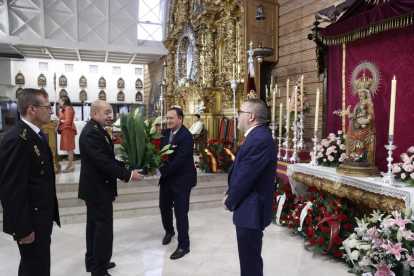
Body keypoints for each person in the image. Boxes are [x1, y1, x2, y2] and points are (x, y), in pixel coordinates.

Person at [78, 100, 145, 276]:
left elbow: (108, 158)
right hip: (97, 189)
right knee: (103, 230)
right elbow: (103, 162)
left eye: (110, 112)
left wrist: (126, 167)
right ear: (95, 114)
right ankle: (99, 270)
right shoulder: (92, 133)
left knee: (94, 228)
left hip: (96, 188)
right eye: (106, 112)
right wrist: (128, 175)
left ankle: (93, 262)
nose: (110, 116)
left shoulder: (98, 130)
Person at [0, 88, 60, 276]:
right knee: (37, 269)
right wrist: (23, 229)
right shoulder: (17, 139)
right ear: (32, 109)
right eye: (48, 107)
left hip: (40, 219)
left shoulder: (35, 134)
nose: (52, 112)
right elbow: (11, 190)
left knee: (31, 267)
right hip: (30, 223)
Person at [222, 99, 277, 276]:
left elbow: (245, 178)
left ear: (251, 116)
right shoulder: (256, 136)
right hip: (249, 207)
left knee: (250, 262)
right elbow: (243, 172)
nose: (237, 116)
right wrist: (229, 192)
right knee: (248, 258)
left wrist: (230, 200)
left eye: (240, 112)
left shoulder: (259, 140)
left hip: (251, 209)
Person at [157, 107, 197, 260]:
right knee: (164, 207)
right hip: (168, 178)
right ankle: (169, 231)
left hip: (182, 179)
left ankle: (183, 245)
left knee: (180, 213)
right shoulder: (165, 133)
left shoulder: (186, 136)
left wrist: (161, 170)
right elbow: (158, 153)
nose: (168, 121)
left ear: (180, 119)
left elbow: (179, 160)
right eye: (167, 118)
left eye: (171, 118)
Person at [345, 88, 376, 165]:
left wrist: (366, 120)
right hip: (355, 126)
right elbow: (353, 116)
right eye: (359, 92)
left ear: (366, 93)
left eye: (362, 92)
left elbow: (370, 116)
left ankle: (360, 156)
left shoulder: (369, 105)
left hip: (365, 128)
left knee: (358, 135)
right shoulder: (357, 105)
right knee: (348, 136)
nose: (360, 94)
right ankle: (352, 155)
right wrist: (349, 113)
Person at [55, 96, 77, 173]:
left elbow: (67, 121)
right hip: (66, 129)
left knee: (69, 148)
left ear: (64, 101)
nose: (59, 102)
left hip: (68, 129)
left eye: (60, 101)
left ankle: (70, 165)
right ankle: (70, 164)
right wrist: (60, 114)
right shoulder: (65, 109)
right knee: (68, 148)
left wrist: (59, 119)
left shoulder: (68, 109)